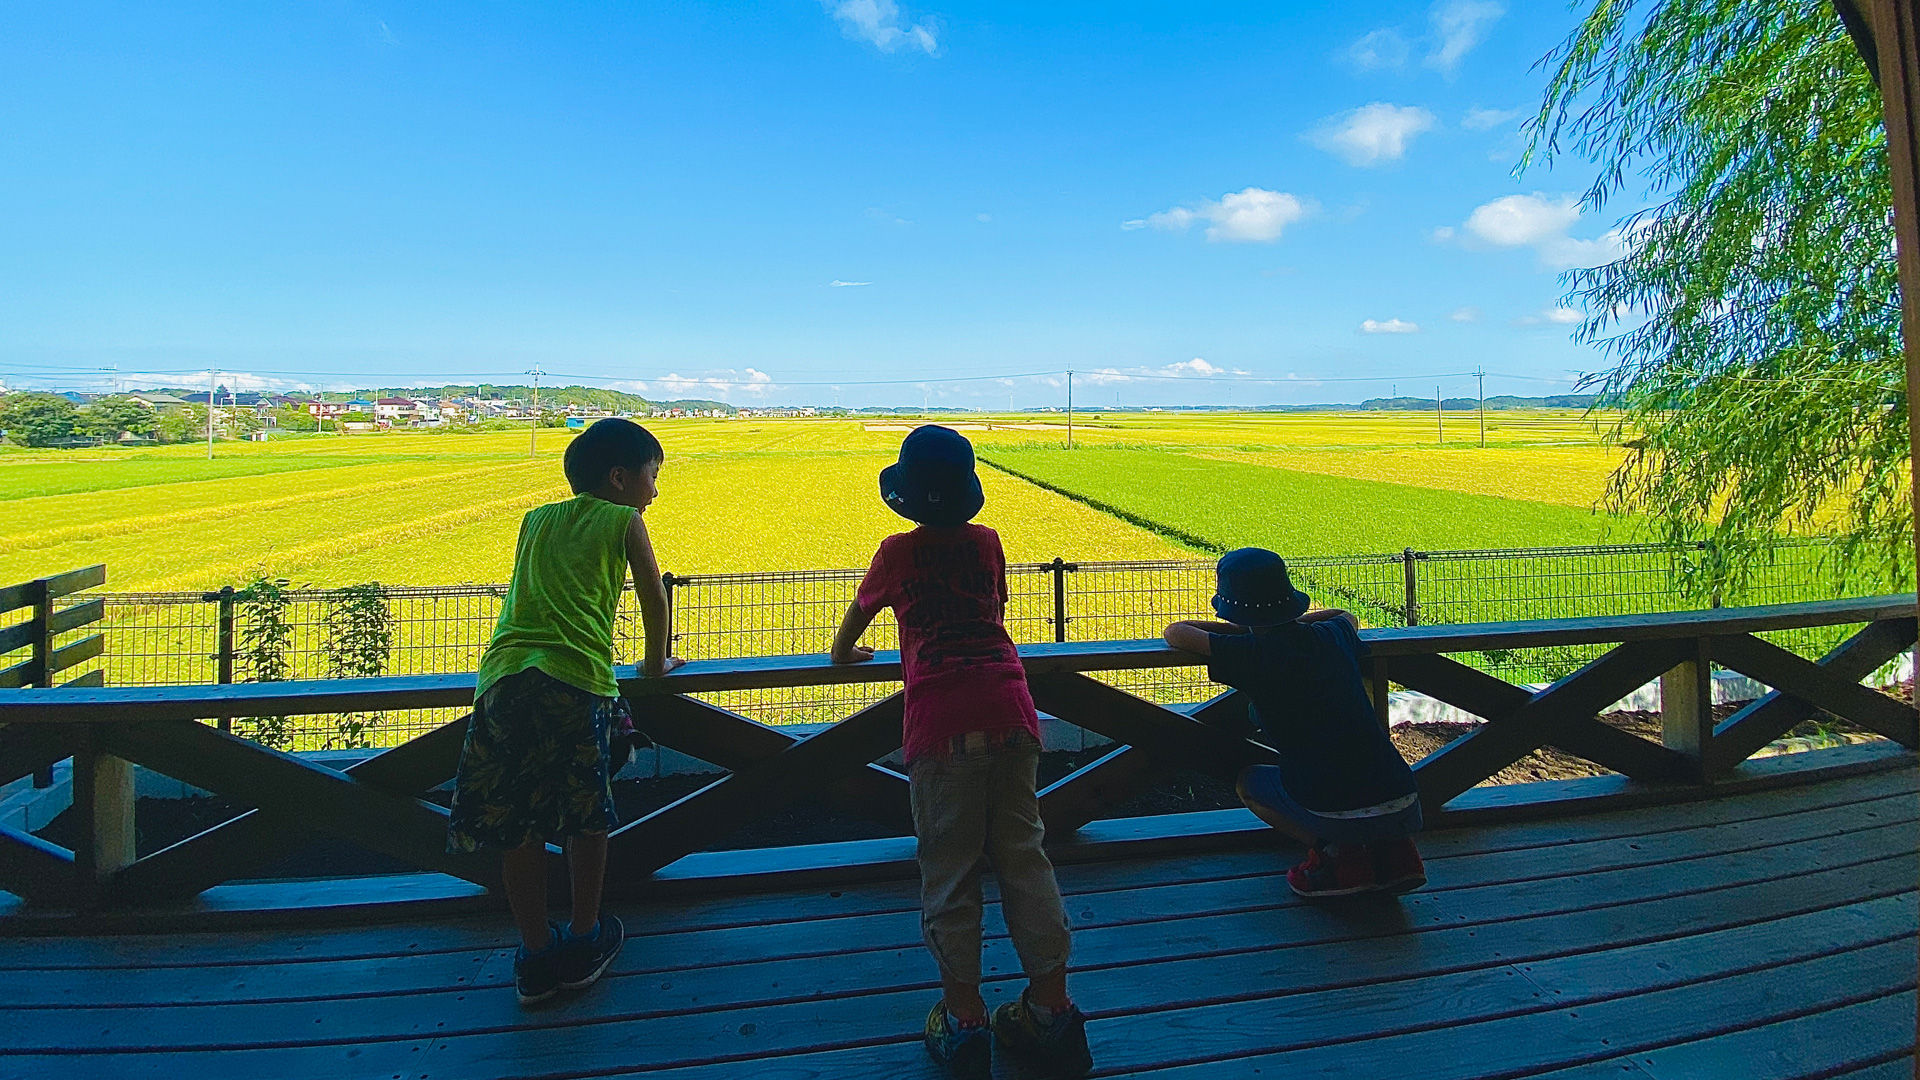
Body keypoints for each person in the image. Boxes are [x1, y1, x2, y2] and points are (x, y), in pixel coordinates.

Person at [831, 425, 1093, 1080]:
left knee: (949, 872)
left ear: (907, 496)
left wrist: (844, 658)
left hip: (941, 726)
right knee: (1024, 858)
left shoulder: (895, 553)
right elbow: (991, 608)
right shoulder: (988, 543)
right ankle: (1052, 1010)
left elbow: (858, 622)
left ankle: (965, 1020)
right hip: (1011, 712)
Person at [447, 418, 682, 1006]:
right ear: (621, 477)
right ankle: (583, 936)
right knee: (586, 816)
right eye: (653, 477)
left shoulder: (535, 519)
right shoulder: (624, 519)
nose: (656, 491)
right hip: (576, 681)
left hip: (502, 680)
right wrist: (656, 667)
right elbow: (653, 595)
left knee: (516, 825)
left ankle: (533, 952)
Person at [1163, 547, 1426, 899]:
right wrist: (1283, 621)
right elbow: (1344, 614)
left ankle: (1338, 854)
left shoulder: (1250, 654)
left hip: (1330, 801)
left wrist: (1243, 629)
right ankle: (1398, 854)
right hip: (1404, 797)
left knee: (1249, 783)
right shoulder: (1331, 635)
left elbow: (1176, 632)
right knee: (1361, 785)